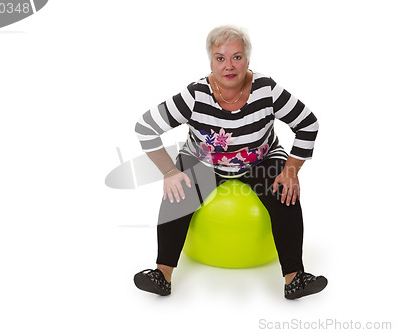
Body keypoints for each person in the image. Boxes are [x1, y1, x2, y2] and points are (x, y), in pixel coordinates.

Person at [133, 25, 327, 299]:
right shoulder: (196, 94)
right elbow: (146, 127)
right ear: (210, 61)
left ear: (247, 60)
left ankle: (295, 278)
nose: (229, 66)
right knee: (178, 193)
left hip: (260, 159)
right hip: (203, 161)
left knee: (286, 194)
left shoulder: (266, 90)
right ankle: (162, 274)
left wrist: (292, 170)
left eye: (237, 57)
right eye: (220, 58)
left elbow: (308, 123)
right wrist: (169, 171)